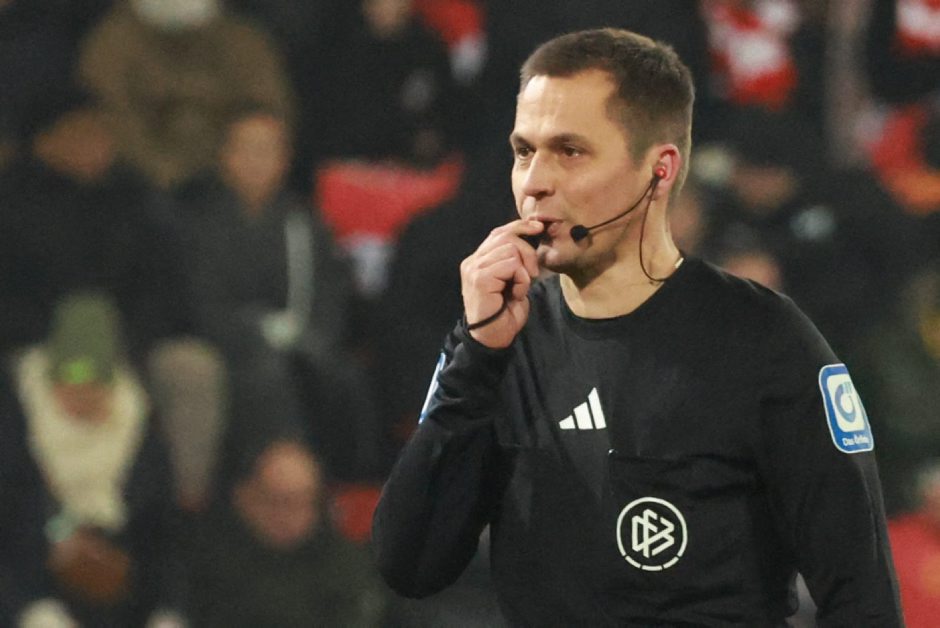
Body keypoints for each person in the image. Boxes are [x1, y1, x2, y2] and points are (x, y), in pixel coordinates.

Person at [372, 28, 902, 624]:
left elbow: (863, 600)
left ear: (659, 170)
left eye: (570, 151)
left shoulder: (765, 342)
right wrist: (476, 356)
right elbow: (409, 565)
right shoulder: (498, 342)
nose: (535, 181)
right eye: (524, 151)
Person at [0, 292, 185, 628]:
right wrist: (30, 608)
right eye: (69, 387)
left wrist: (166, 611)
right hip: (31, 586)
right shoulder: (16, 423)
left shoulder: (137, 426)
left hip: (122, 593)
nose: (79, 400)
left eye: (92, 389)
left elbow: (161, 533)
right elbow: (14, 520)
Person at [187, 439, 390, 627]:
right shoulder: (213, 562)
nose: (288, 515)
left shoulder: (345, 565)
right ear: (245, 498)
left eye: (303, 501)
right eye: (276, 501)